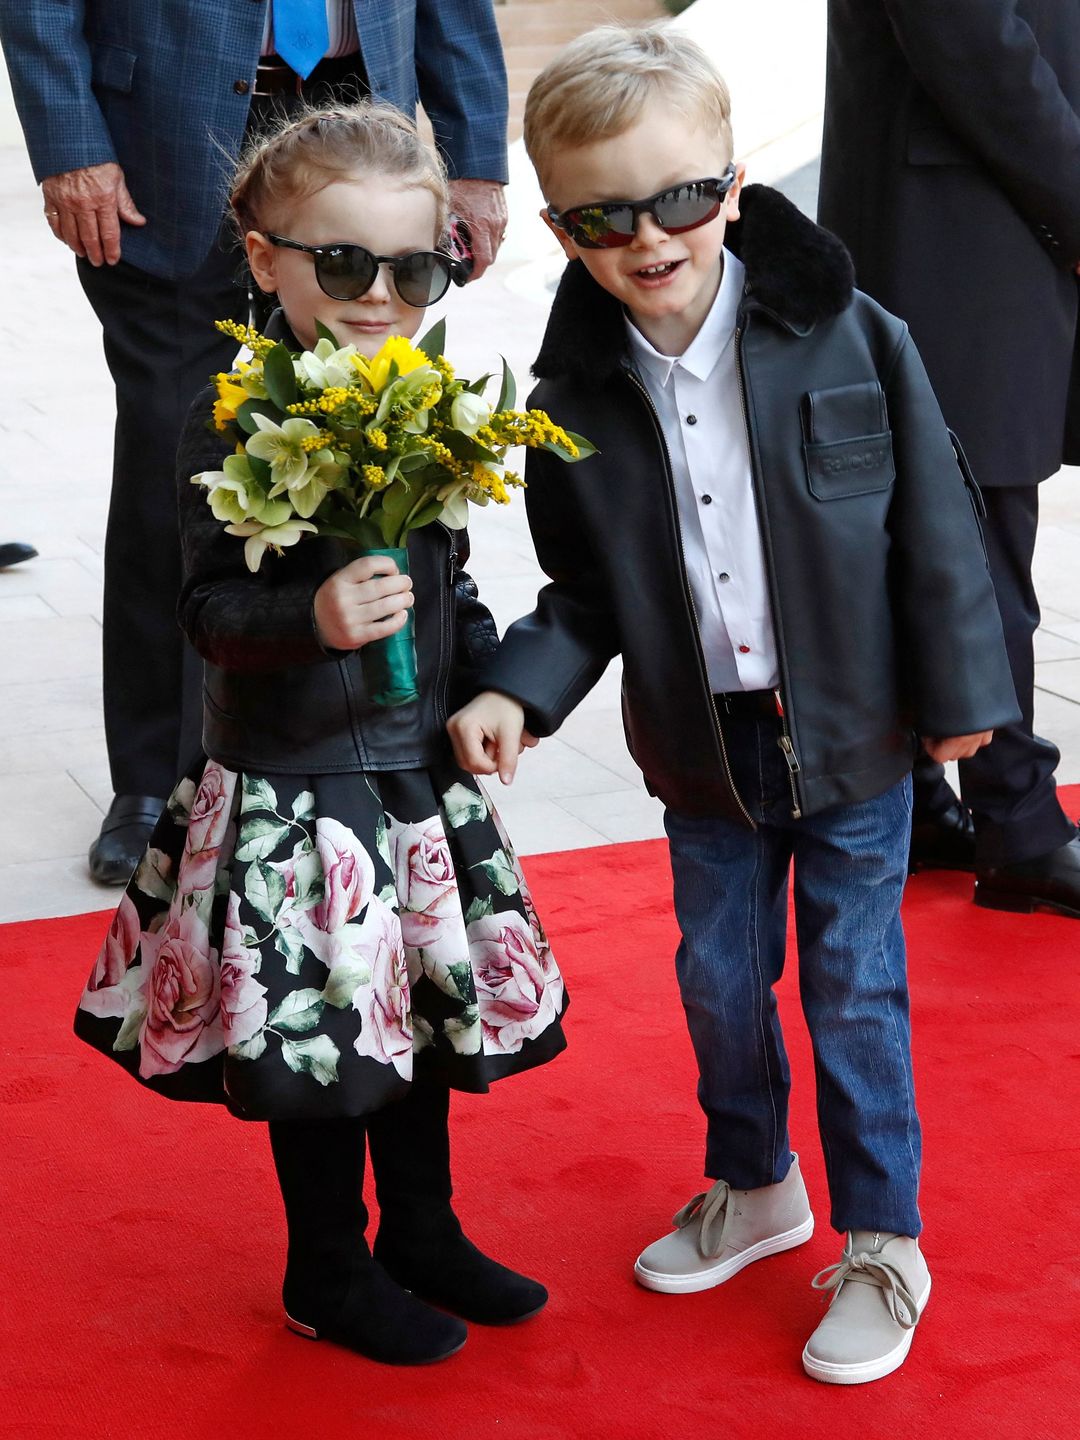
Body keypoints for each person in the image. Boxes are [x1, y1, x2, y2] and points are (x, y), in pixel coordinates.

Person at [448, 26, 1020, 1385]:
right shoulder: (572, 401)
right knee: (715, 978)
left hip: (861, 732)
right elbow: (582, 593)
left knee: (853, 984)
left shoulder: (848, 335)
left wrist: (962, 697)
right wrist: (515, 694)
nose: (651, 237)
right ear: (560, 228)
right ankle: (757, 1184)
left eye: (681, 198)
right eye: (606, 216)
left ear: (736, 186)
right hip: (703, 748)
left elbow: (937, 529)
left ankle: (886, 1238)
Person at [73, 102, 565, 1367]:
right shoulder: (229, 416)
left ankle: (423, 1230)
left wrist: (487, 680)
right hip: (293, 800)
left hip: (408, 787)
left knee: (411, 1025)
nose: (380, 294)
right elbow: (202, 610)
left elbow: (448, 588)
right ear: (262, 259)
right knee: (325, 1046)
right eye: (342, 264)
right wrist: (314, 617)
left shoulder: (427, 397)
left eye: (415, 267)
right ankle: (326, 1267)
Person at [0, 1, 510, 885]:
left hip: (366, 125)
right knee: (179, 463)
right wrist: (69, 136)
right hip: (164, 128)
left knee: (368, 442)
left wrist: (476, 154)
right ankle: (159, 785)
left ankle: (364, 746)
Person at [817, 1, 1080, 917]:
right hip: (970, 208)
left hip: (989, 205)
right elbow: (974, 41)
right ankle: (1017, 821)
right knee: (974, 534)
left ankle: (930, 800)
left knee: (951, 524)